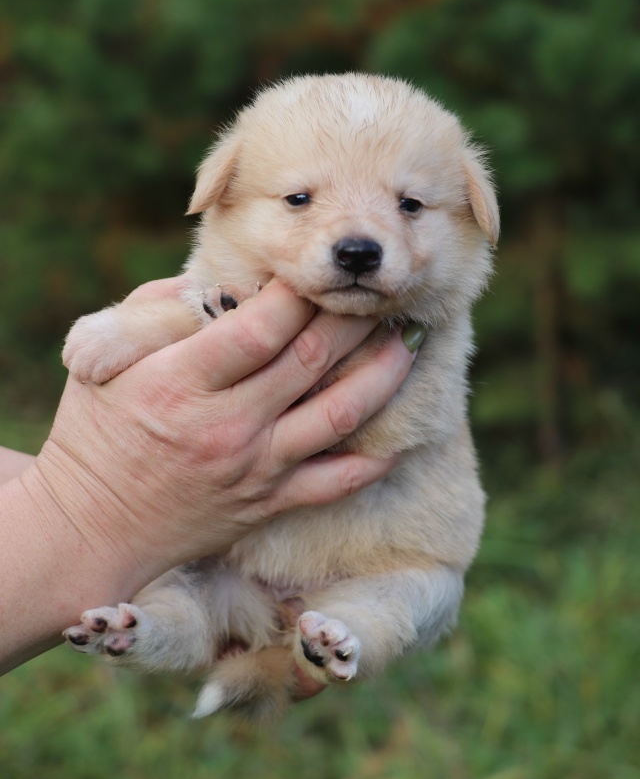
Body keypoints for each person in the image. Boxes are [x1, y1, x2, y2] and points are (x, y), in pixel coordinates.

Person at [0, 278, 422, 688]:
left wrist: (77, 487)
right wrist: (91, 502)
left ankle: (344, 637)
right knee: (181, 603)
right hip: (229, 572)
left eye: (409, 203)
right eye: (298, 200)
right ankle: (151, 634)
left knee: (419, 588)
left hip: (373, 554)